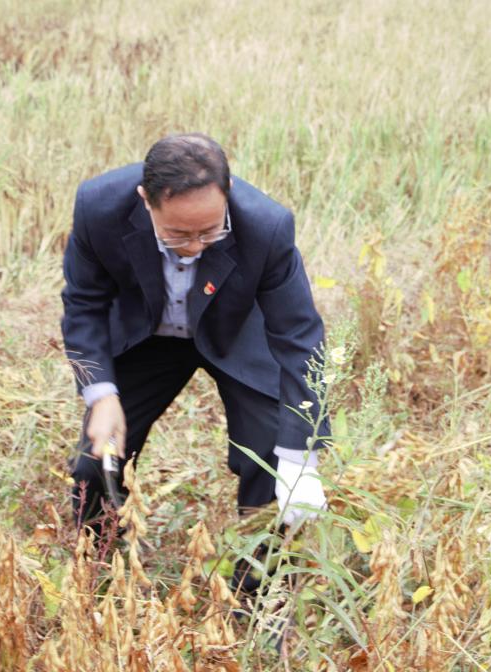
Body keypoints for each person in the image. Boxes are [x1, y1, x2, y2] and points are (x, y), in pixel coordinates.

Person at [60, 133, 330, 565]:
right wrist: (101, 394)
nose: (193, 248)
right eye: (176, 235)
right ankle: (98, 568)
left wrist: (302, 456)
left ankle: (259, 590)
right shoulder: (99, 207)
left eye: (209, 232)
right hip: (146, 335)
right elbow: (83, 305)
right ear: (145, 200)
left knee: (271, 457)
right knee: (97, 460)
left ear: (228, 193)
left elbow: (300, 335)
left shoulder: (267, 225)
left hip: (233, 331)